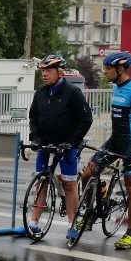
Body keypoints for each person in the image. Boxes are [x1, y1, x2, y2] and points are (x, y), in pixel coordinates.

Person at [79, 51, 131, 250]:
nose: (105, 71)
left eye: (108, 68)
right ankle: (92, 209)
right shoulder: (116, 88)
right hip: (115, 141)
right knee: (87, 174)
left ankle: (130, 234)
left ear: (121, 69)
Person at [27, 55, 93, 239]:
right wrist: (34, 138)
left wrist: (72, 141)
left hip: (67, 146)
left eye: (48, 71)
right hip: (46, 145)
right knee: (42, 181)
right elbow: (33, 117)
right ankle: (34, 221)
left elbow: (86, 120)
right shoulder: (40, 92)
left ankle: (72, 225)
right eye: (42, 71)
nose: (44, 74)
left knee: (69, 184)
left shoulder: (72, 92)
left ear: (60, 72)